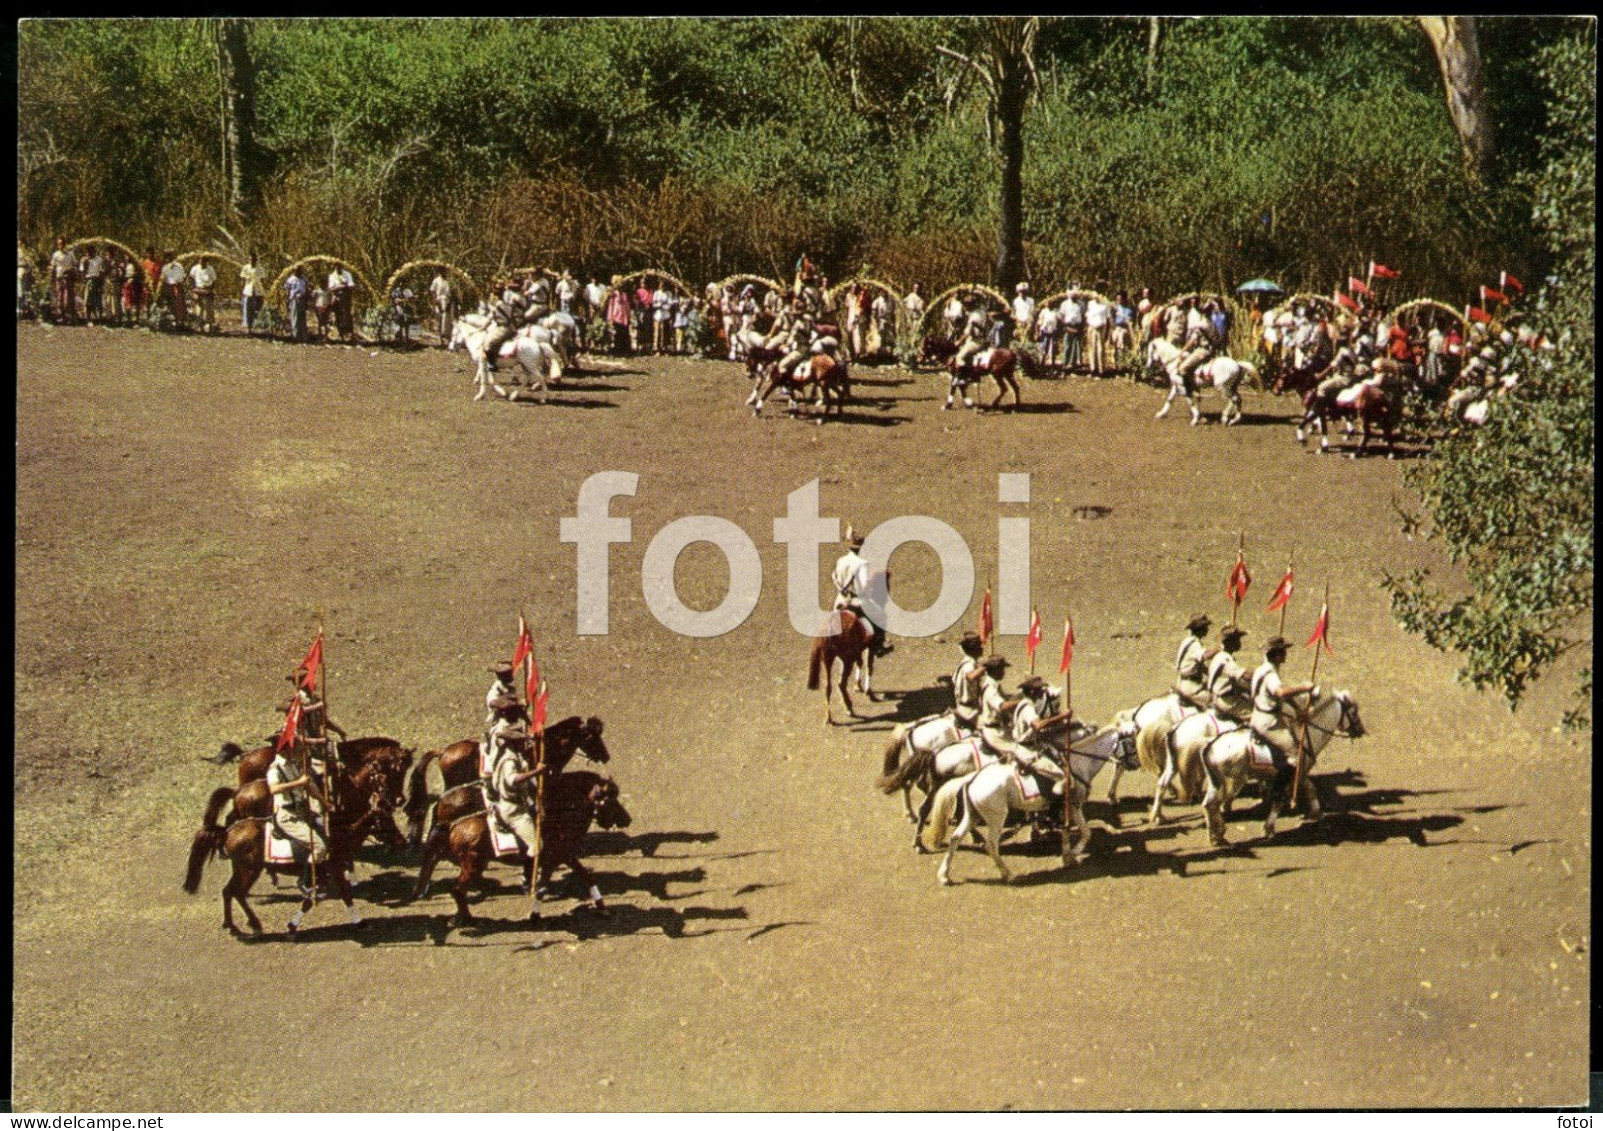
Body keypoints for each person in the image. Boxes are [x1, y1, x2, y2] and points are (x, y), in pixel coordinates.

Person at [485, 724, 546, 915]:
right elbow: (513, 780)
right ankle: (528, 879)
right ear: (513, 743)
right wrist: (536, 773)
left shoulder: (512, 755)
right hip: (514, 810)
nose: (524, 744)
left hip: (517, 802)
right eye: (521, 741)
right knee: (537, 844)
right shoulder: (509, 761)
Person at [1250, 636, 1317, 783]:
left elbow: (1281, 695)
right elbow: (1280, 692)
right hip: (1269, 723)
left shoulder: (1261, 669)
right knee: (1297, 755)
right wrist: (1303, 687)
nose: (1286, 655)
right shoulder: (1271, 675)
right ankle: (1279, 793)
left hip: (1257, 716)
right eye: (1283, 652)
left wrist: (1297, 709)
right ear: (1277, 655)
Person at [265, 742, 330, 892]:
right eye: (293, 748)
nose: (295, 750)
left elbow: (308, 786)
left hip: (303, 811)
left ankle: (321, 873)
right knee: (319, 846)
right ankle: (305, 882)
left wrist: (324, 803)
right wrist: (298, 783)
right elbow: (274, 789)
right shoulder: (274, 769)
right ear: (284, 750)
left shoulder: (292, 765)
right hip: (288, 816)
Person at [832, 527, 891, 659]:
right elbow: (863, 587)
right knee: (881, 616)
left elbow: (835, 578)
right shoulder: (862, 563)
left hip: (839, 601)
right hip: (855, 602)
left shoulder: (840, 561)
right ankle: (879, 646)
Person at [1205, 627, 1252, 723]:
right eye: (1237, 639)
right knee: (1259, 717)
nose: (1239, 642)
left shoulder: (1221, 656)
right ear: (1230, 642)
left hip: (1219, 697)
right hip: (1227, 701)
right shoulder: (1225, 658)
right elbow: (1243, 675)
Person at [1173, 614, 1212, 709]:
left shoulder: (1187, 641)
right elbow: (1205, 655)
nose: (1207, 629)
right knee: (1215, 701)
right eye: (1205, 627)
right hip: (1190, 686)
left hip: (1182, 682)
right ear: (1200, 629)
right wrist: (1220, 649)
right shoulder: (1195, 644)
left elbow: (1197, 665)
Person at [952, 631, 986, 731]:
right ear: (972, 649)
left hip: (962, 706)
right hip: (968, 710)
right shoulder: (969, 664)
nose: (981, 648)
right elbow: (970, 676)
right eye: (979, 646)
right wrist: (986, 666)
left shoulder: (965, 662)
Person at [50, 238, 78, 324]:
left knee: (67, 298)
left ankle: (69, 316)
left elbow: (75, 264)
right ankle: (61, 317)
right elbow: (52, 266)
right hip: (59, 278)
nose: (60, 246)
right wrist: (51, 277)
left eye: (62, 244)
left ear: (65, 244)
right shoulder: (56, 255)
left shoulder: (70, 254)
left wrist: (71, 269)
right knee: (59, 298)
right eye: (59, 244)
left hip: (68, 279)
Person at [159, 251, 188, 330]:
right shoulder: (164, 267)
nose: (168, 259)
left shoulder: (179, 266)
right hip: (168, 288)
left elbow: (183, 277)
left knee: (179, 305)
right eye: (166, 257)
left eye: (169, 257)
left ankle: (180, 323)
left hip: (177, 287)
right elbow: (163, 279)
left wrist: (179, 285)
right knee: (170, 305)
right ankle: (173, 322)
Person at [189, 255, 218, 333]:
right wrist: (193, 289)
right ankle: (200, 327)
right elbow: (191, 278)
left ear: (206, 261)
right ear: (199, 261)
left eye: (204, 261)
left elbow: (214, 280)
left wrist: (210, 289)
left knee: (209, 310)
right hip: (198, 289)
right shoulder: (195, 268)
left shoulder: (210, 269)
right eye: (201, 260)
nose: (202, 262)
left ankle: (210, 327)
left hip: (207, 290)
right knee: (199, 309)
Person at [1085, 291, 1111, 375]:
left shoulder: (1105, 304)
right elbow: (1088, 316)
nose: (1096, 296)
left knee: (1100, 348)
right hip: (1092, 327)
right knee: (1092, 348)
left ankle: (1101, 369)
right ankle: (1093, 368)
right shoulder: (1090, 304)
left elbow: (1108, 318)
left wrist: (1107, 331)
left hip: (1101, 328)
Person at [238, 253, 264, 334]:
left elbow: (262, 280)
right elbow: (242, 279)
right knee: (246, 309)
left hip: (257, 291)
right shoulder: (245, 268)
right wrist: (241, 291)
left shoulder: (260, 269)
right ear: (248, 260)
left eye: (253, 260)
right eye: (250, 259)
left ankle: (252, 326)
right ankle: (247, 327)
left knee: (255, 309)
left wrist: (262, 292)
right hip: (248, 291)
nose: (252, 261)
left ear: (256, 260)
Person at [81, 245, 107, 324]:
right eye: (88, 252)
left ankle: (99, 319)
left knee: (98, 301)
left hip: (97, 280)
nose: (89, 253)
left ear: (94, 251)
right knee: (88, 301)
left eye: (90, 251)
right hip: (88, 281)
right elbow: (82, 272)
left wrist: (101, 283)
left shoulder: (99, 260)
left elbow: (102, 272)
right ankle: (89, 320)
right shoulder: (84, 260)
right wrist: (85, 263)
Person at [1060, 292, 1086, 370]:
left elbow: (1083, 315)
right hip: (1068, 326)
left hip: (1078, 326)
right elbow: (1061, 316)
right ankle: (1065, 364)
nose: (1073, 297)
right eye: (1072, 295)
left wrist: (1082, 327)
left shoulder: (1081, 304)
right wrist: (1065, 326)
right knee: (1067, 345)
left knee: (1077, 345)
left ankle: (1073, 364)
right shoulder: (1065, 304)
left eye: (1075, 295)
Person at [606, 282, 632, 356]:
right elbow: (611, 306)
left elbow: (627, 306)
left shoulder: (624, 294)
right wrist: (610, 317)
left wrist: (629, 316)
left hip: (624, 317)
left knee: (625, 333)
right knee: (618, 333)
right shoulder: (613, 294)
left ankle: (626, 350)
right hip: (616, 316)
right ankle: (618, 350)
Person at [285, 267, 308, 342]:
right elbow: (288, 291)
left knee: (302, 317)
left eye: (300, 270)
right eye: (297, 270)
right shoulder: (290, 279)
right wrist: (288, 300)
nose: (298, 271)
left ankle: (303, 336)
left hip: (303, 299)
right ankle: (295, 336)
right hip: (294, 299)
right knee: (295, 317)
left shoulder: (304, 278)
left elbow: (306, 288)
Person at [1011, 282, 1035, 351]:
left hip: (1028, 323)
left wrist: (1029, 321)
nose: (1022, 293)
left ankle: (1026, 353)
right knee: (1018, 338)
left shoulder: (1031, 300)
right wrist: (1017, 320)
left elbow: (1032, 312)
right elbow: (1013, 313)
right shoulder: (1016, 301)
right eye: (1020, 291)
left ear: (1026, 292)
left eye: (1024, 291)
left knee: (1026, 340)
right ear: (1018, 292)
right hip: (1019, 323)